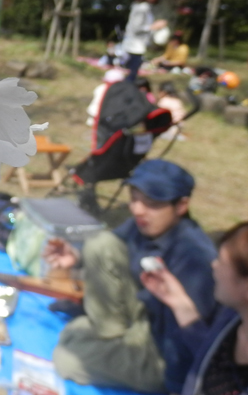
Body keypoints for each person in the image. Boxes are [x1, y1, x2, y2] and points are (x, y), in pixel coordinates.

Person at [45, 159, 218, 393]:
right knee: (100, 242)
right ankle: (110, 334)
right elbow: (108, 249)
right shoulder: (143, 225)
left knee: (66, 359)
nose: (137, 209)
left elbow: (196, 344)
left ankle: (111, 343)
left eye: (152, 203)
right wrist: (75, 257)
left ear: (181, 206)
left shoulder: (194, 259)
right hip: (141, 319)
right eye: (134, 198)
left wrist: (176, 386)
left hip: (162, 353)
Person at [141, 221, 248, 395]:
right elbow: (208, 350)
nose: (214, 265)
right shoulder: (232, 318)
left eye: (222, 262)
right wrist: (178, 301)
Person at [122, 0, 167, 82]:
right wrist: (153, 27)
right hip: (134, 45)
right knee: (131, 72)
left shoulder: (145, 7)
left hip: (138, 44)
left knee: (132, 71)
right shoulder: (142, 8)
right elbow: (136, 28)